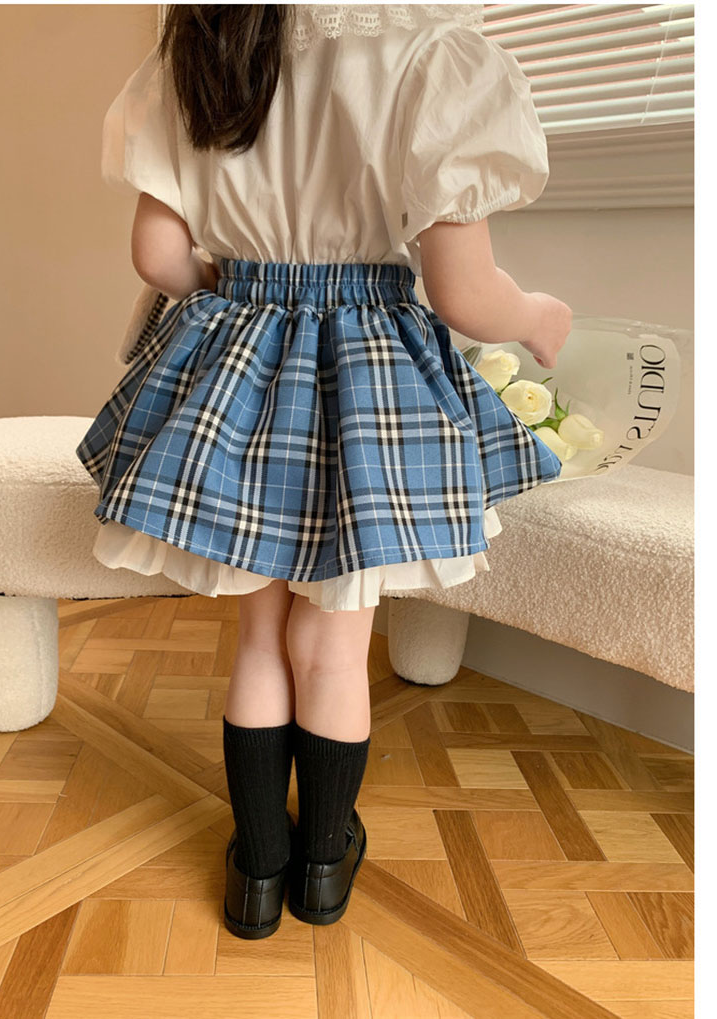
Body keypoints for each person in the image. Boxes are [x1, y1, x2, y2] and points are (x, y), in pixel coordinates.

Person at [75, 3, 572, 940]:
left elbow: (159, 255)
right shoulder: (428, 49)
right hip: (366, 379)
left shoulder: (205, 46)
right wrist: (537, 314)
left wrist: (237, 288)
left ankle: (257, 870)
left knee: (260, 638)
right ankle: (323, 863)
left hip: (239, 365)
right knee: (333, 647)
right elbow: (463, 291)